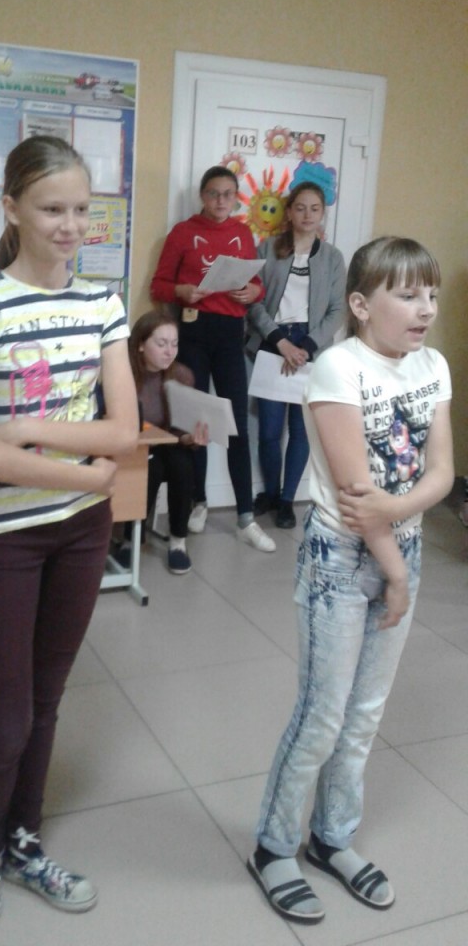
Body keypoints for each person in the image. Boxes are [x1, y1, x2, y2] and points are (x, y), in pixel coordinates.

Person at [0, 135, 138, 930]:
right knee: (7, 717)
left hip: (80, 536)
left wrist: (28, 431)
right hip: (7, 538)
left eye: (81, 210)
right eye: (52, 208)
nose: (70, 225)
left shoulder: (103, 304)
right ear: (12, 209)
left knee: (48, 700)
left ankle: (24, 841)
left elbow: (123, 429)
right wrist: (88, 475)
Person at [248, 236, 453, 924]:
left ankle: (332, 838)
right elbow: (356, 497)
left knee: (365, 716)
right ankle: (273, 847)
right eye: (408, 294)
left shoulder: (433, 365)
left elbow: (442, 473)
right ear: (362, 305)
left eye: (431, 294)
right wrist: (396, 572)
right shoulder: (338, 367)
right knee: (322, 716)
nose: (425, 309)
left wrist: (399, 517)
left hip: (404, 550)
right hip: (340, 562)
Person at [151, 165, 275, 552]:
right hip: (193, 331)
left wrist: (253, 293)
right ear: (202, 197)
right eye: (213, 193)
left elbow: (256, 285)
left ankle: (245, 517)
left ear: (236, 198)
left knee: (236, 423)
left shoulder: (243, 233)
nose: (221, 201)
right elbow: (159, 285)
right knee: (197, 422)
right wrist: (182, 291)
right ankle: (199, 501)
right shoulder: (183, 232)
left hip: (230, 335)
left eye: (227, 194)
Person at [247, 182, 346, 528]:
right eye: (300, 207)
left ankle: (288, 500)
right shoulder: (267, 248)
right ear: (289, 212)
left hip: (310, 349)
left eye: (314, 209)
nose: (307, 215)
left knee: (301, 431)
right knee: (269, 431)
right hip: (273, 344)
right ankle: (271, 493)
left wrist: (306, 346)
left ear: (322, 214)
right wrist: (280, 342)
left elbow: (337, 311)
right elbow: (254, 303)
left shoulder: (332, 257)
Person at [120, 308, 208, 575]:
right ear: (140, 345)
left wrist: (191, 438)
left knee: (182, 463)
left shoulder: (182, 375)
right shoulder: (124, 375)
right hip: (134, 447)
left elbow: (179, 430)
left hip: (169, 446)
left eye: (174, 344)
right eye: (161, 344)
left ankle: (178, 541)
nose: (170, 351)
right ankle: (130, 539)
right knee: (151, 466)